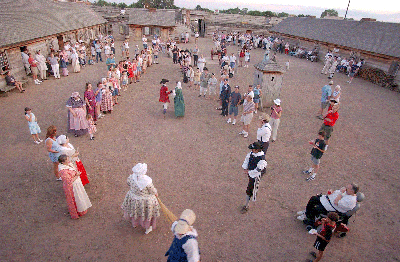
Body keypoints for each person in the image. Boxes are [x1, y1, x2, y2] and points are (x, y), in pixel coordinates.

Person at [121, 163, 160, 234]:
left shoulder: (131, 177)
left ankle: (135, 223)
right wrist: (156, 194)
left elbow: (128, 183)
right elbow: (153, 191)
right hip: (145, 201)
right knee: (146, 213)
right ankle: (148, 227)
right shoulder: (147, 182)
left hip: (134, 199)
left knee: (136, 212)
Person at [58, 155, 92, 219]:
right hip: (73, 187)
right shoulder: (63, 171)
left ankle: (83, 209)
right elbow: (69, 181)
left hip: (77, 184)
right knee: (77, 198)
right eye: (67, 160)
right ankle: (78, 211)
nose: (69, 161)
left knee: (80, 196)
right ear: (62, 162)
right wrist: (77, 175)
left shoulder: (68, 164)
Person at [240, 142, 268, 213]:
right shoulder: (251, 154)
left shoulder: (261, 159)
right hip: (251, 174)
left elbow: (258, 170)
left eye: (253, 149)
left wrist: (248, 172)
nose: (251, 150)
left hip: (255, 176)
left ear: (257, 150)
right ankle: (247, 203)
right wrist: (245, 167)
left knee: (251, 190)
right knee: (250, 189)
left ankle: (246, 205)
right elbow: (247, 159)